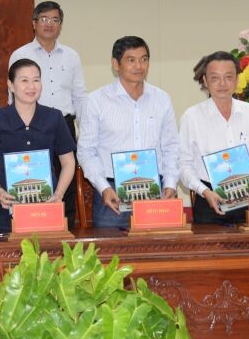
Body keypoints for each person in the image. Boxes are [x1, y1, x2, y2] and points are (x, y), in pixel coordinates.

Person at [77, 36, 180, 228]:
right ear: (116, 64)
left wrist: (171, 184)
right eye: (131, 60)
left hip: (155, 190)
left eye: (144, 59)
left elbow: (171, 147)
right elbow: (86, 152)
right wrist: (103, 188)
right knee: (112, 246)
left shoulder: (162, 99)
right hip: (112, 193)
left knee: (158, 245)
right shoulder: (96, 101)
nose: (139, 66)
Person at [7, 1, 86, 227]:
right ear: (34, 23)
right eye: (43, 19)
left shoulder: (71, 56)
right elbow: (12, 95)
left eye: (54, 20)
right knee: (30, 179)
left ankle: (65, 229)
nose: (49, 24)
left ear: (60, 25)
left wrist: (85, 133)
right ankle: (28, 227)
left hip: (64, 125)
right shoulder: (20, 54)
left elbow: (80, 96)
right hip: (29, 125)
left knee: (65, 182)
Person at [0, 59, 76, 234]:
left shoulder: (54, 117)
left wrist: (59, 194)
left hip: (48, 207)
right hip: (8, 210)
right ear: (11, 85)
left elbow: (68, 162)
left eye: (36, 80)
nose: (31, 86)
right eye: (24, 80)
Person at [179, 51, 249, 225]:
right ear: (205, 81)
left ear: (237, 79)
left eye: (228, 77)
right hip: (209, 200)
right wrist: (203, 191)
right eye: (215, 78)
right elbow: (184, 165)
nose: (222, 83)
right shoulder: (191, 117)